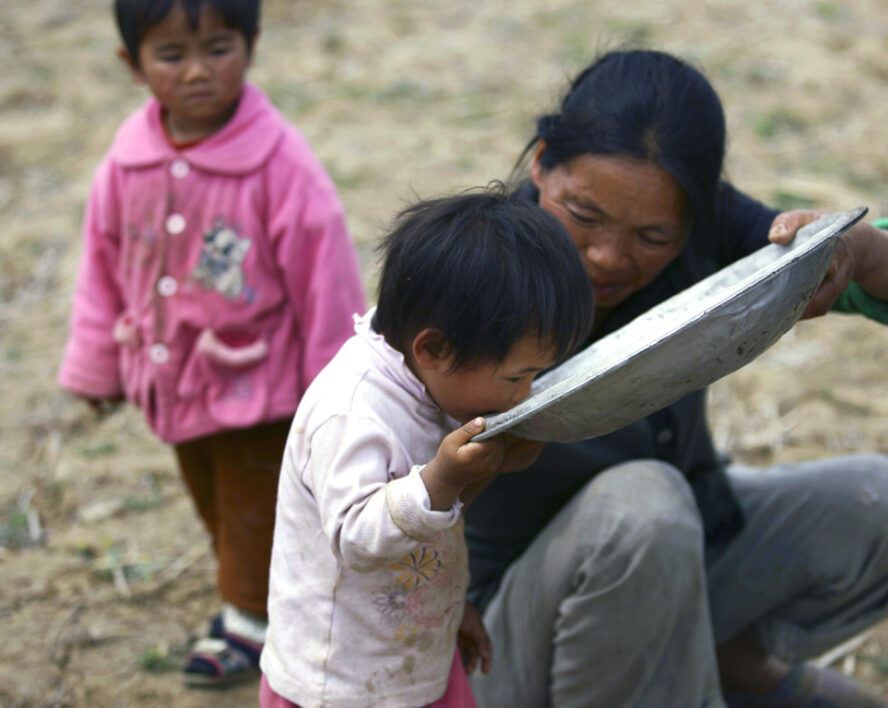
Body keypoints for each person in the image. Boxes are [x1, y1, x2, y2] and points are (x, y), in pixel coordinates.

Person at [464, 49, 888, 708]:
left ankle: (726, 663)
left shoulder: (707, 229)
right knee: (645, 508)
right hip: (498, 639)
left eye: (652, 236)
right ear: (543, 163)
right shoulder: (473, 269)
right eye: (583, 215)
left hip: (671, 558)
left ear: (691, 218)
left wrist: (849, 251)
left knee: (886, 502)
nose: (609, 256)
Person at [58, 0, 365, 687]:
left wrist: (338, 387)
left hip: (261, 385)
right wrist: (96, 368)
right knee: (211, 497)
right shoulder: (127, 162)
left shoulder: (280, 163)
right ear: (131, 65)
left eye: (218, 47)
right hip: (172, 380)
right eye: (171, 55)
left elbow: (327, 276)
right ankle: (261, 596)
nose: (197, 71)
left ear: (252, 43)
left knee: (254, 503)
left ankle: (253, 625)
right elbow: (103, 263)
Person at [259, 188, 594, 708]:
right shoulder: (351, 412)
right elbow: (355, 535)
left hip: (412, 656)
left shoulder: (433, 382)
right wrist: (445, 476)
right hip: (343, 682)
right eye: (516, 376)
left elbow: (424, 534)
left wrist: (445, 609)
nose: (523, 394)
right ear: (434, 348)